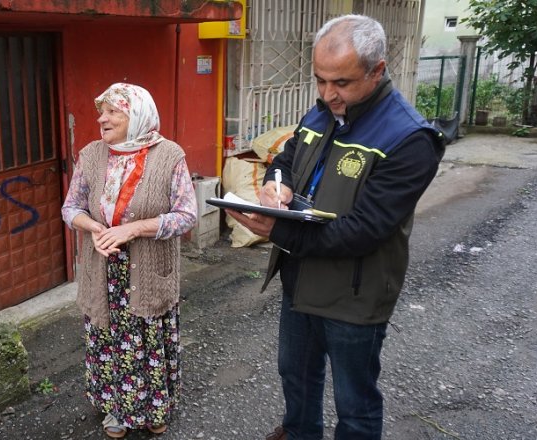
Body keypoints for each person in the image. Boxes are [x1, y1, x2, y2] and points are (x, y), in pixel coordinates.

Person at [226, 15, 445, 440]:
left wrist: (277, 231)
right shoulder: (323, 111)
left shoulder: (410, 139)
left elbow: (364, 230)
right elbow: (285, 159)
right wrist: (276, 187)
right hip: (300, 277)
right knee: (297, 378)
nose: (328, 94)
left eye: (341, 82)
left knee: (354, 402)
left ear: (378, 70)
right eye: (320, 80)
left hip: (355, 295)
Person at [61, 83, 198, 438]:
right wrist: (92, 227)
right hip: (103, 271)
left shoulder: (169, 156)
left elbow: (186, 215)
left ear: (135, 114)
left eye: (112, 111)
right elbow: (70, 207)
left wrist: (134, 229)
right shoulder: (91, 154)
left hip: (149, 272)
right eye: (101, 111)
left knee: (149, 339)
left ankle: (155, 408)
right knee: (109, 341)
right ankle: (116, 411)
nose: (101, 118)